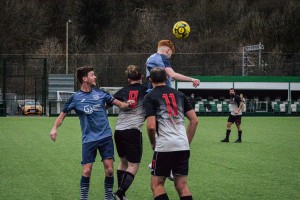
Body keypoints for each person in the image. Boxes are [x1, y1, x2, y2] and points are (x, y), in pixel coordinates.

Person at [49, 66, 135, 200]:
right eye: (92, 75)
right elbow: (62, 116)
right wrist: (54, 128)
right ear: (85, 78)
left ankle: (108, 198)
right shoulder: (75, 98)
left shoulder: (101, 94)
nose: (95, 77)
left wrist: (127, 103)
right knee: (87, 171)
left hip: (105, 137)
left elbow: (120, 104)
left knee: (109, 170)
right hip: (88, 139)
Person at [143, 67, 198, 200]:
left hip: (164, 145)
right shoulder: (179, 95)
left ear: (150, 80)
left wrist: (153, 143)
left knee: (157, 184)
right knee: (182, 185)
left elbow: (151, 126)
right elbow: (194, 121)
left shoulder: (149, 96)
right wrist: (186, 142)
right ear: (167, 79)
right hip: (182, 145)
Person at [112, 65, 148, 200]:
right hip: (133, 131)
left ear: (128, 79)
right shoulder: (147, 90)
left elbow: (106, 104)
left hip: (119, 131)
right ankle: (119, 194)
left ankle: (121, 194)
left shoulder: (122, 91)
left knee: (123, 163)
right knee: (133, 165)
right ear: (142, 77)